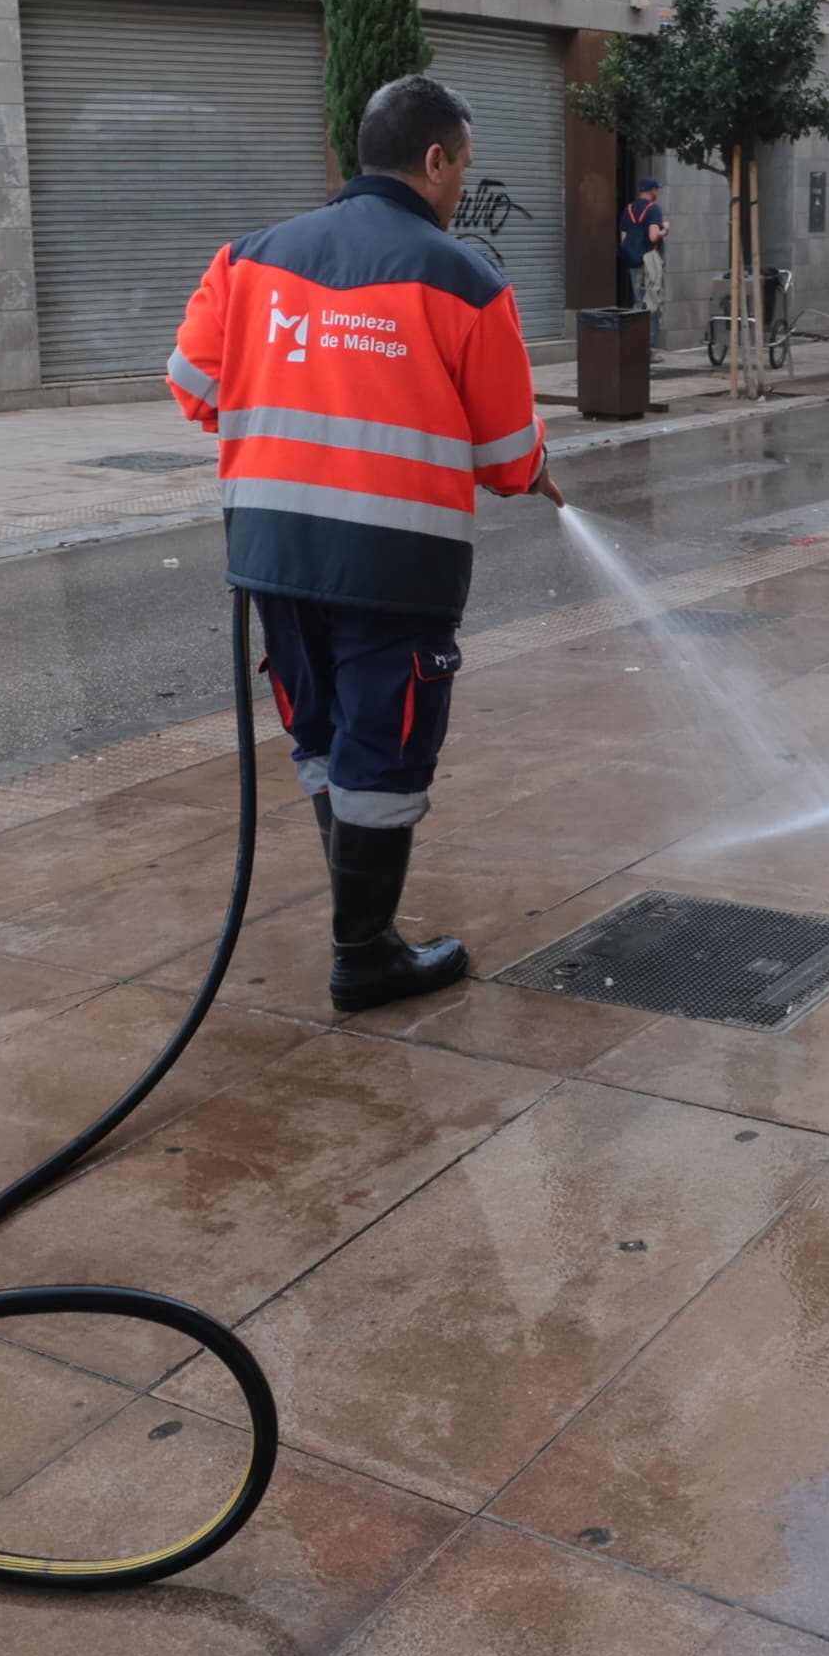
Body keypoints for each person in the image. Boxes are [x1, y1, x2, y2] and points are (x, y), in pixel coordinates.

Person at [170, 73, 548, 1009]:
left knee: (323, 736)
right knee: (381, 753)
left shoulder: (248, 258)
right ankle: (364, 951)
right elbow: (507, 458)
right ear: (433, 161)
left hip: (276, 558)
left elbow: (192, 387)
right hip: (395, 564)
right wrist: (535, 465)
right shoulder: (466, 281)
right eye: (463, 165)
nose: (464, 185)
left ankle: (361, 931)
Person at [622, 170, 669, 339]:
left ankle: (633, 343)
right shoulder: (654, 209)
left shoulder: (628, 209)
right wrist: (665, 229)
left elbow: (624, 238)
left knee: (637, 301)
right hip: (650, 261)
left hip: (633, 262)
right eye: (657, 189)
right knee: (652, 302)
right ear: (652, 190)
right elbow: (653, 236)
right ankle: (648, 348)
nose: (658, 192)